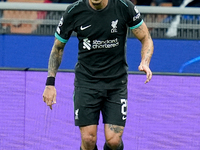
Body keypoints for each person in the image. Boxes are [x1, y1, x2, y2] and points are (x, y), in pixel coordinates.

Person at [42, 0, 154, 149]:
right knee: (88, 139)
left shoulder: (124, 7)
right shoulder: (74, 11)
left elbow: (146, 38)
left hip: (116, 84)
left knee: (113, 140)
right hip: (86, 83)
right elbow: (57, 48)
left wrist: (145, 62)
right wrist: (50, 83)